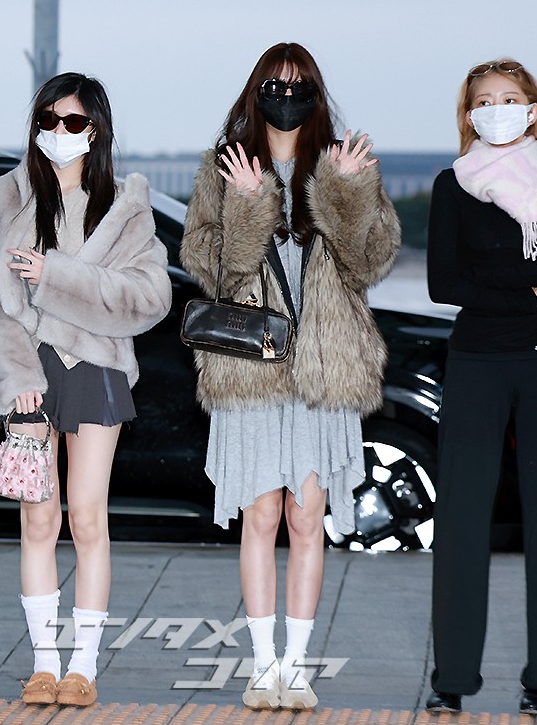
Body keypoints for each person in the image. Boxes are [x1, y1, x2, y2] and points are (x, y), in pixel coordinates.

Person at [180, 43, 400, 710]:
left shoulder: (343, 161)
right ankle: (262, 665)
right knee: (260, 514)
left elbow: (368, 263)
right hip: (251, 369)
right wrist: (247, 204)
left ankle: (297, 668)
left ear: (316, 93)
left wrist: (346, 191)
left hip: (322, 368)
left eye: (298, 84)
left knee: (307, 519)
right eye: (274, 84)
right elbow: (211, 269)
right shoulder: (224, 165)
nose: (286, 95)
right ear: (256, 92)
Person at [0, 72, 171, 708]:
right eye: (48, 120)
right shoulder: (5, 197)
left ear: (97, 130)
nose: (59, 132)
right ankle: (43, 663)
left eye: (75, 122)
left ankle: (83, 665)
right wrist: (16, 379)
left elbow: (150, 298)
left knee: (87, 516)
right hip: (29, 370)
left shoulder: (124, 205)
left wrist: (55, 276)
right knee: (38, 517)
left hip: (96, 365)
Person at [425, 58, 537, 717]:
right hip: (476, 363)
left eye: (510, 98)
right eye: (484, 100)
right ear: (469, 115)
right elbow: (443, 283)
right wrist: (531, 292)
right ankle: (452, 679)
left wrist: (495, 285)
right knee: (461, 521)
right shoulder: (453, 184)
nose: (497, 109)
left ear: (533, 109)